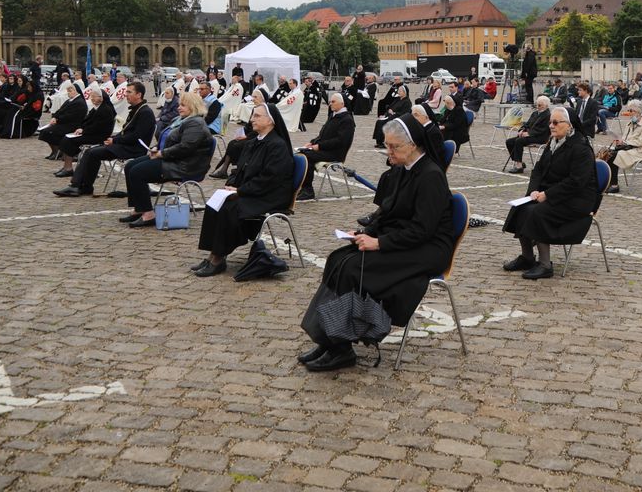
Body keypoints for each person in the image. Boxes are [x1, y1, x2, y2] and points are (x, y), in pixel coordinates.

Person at [296, 115, 455, 371]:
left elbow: (422, 230)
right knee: (338, 259)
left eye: (394, 147)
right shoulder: (403, 170)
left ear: (413, 145)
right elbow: (388, 211)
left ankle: (341, 348)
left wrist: (379, 243)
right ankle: (328, 338)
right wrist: (364, 232)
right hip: (405, 239)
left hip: (428, 249)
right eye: (387, 145)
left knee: (353, 268)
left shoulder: (431, 176)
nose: (388, 152)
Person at [187, 102, 293, 274]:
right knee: (216, 202)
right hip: (252, 190)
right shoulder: (253, 142)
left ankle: (218, 258)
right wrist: (231, 185)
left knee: (230, 207)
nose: (252, 119)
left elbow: (269, 179)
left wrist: (240, 191)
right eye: (252, 115)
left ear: (271, 121)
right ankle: (213, 254)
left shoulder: (277, 145)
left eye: (257, 116)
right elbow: (240, 169)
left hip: (270, 195)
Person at [501, 107, 598, 280]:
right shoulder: (553, 142)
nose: (551, 126)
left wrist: (548, 195)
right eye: (550, 122)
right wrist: (534, 191)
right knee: (522, 207)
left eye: (555, 122)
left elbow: (576, 182)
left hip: (578, 200)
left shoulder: (581, 148)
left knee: (537, 212)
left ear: (569, 126)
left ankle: (545, 265)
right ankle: (528, 257)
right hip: (555, 193)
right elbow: (538, 170)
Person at [121, 91, 215, 229]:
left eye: (183, 105)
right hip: (171, 158)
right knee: (130, 166)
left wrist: (161, 153)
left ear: (193, 106)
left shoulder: (196, 123)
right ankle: (139, 208)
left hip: (184, 165)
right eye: (179, 105)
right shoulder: (182, 119)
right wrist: (156, 148)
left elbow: (185, 148)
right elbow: (168, 140)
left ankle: (148, 214)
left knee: (137, 172)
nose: (179, 107)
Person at [54, 82, 156, 197]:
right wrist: (113, 138)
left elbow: (137, 136)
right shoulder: (137, 109)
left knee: (92, 153)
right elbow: (125, 131)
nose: (126, 94)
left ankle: (77, 186)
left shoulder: (145, 112)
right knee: (91, 152)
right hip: (125, 145)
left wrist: (115, 141)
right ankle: (83, 186)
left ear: (139, 95)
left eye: (129, 92)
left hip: (134, 149)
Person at [296, 93, 355, 201]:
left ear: (342, 103)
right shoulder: (333, 116)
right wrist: (312, 143)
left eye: (333, 102)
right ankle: (300, 187)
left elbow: (340, 141)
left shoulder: (347, 120)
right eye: (330, 102)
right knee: (300, 153)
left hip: (335, 153)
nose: (330, 104)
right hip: (325, 149)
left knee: (306, 157)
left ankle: (308, 190)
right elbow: (323, 135)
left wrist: (319, 146)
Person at [53, 87, 116, 178]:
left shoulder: (105, 110)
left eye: (95, 96)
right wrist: (80, 128)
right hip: (91, 133)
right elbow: (86, 121)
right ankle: (67, 167)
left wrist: (84, 130)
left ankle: (68, 168)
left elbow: (98, 126)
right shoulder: (97, 108)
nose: (92, 98)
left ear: (101, 98)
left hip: (98, 136)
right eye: (91, 96)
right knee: (66, 138)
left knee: (68, 141)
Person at [209, 88, 266, 179]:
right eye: (253, 97)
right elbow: (249, 125)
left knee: (237, 145)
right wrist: (243, 132)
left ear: (262, 98)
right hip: (250, 135)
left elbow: (261, 128)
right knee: (232, 143)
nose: (253, 99)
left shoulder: (265, 110)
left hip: (258, 137)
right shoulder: (255, 108)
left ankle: (236, 169)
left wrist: (246, 136)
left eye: (255, 97)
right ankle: (224, 170)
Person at [606, 99, 642, 193]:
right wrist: (620, 141)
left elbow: (641, 142)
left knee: (614, 155)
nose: (629, 113)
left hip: (638, 151)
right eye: (629, 110)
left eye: (631, 111)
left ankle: (614, 184)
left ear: (638, 112)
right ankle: (608, 182)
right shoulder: (629, 123)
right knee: (607, 152)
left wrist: (626, 143)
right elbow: (625, 138)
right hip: (627, 148)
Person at [40, 82, 88, 159]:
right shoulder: (69, 100)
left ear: (76, 91)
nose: (68, 93)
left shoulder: (79, 102)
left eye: (70, 91)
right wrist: (54, 117)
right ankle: (55, 151)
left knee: (47, 132)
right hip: (64, 123)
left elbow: (71, 116)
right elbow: (60, 110)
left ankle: (58, 151)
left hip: (72, 125)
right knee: (44, 131)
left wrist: (58, 119)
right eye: (68, 91)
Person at [506, 96, 552, 174]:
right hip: (529, 136)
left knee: (519, 141)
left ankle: (519, 166)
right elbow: (527, 124)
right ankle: (519, 161)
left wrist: (529, 133)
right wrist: (522, 130)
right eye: (537, 104)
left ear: (546, 105)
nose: (538, 106)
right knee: (509, 142)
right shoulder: (535, 113)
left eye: (540, 104)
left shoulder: (548, 115)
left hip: (540, 137)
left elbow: (543, 129)